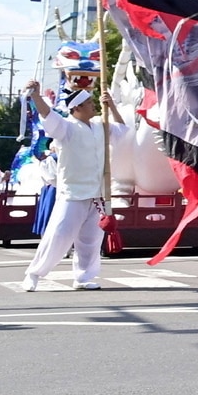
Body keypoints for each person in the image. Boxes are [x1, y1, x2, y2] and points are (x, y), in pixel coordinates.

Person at [20, 85, 126, 292]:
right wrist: (36, 96)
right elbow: (48, 115)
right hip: (73, 193)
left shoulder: (100, 124)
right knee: (59, 236)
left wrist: (112, 106)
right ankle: (34, 273)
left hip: (97, 194)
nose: (94, 105)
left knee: (91, 240)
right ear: (77, 108)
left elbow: (122, 131)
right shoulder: (66, 127)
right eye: (89, 103)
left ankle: (84, 277)